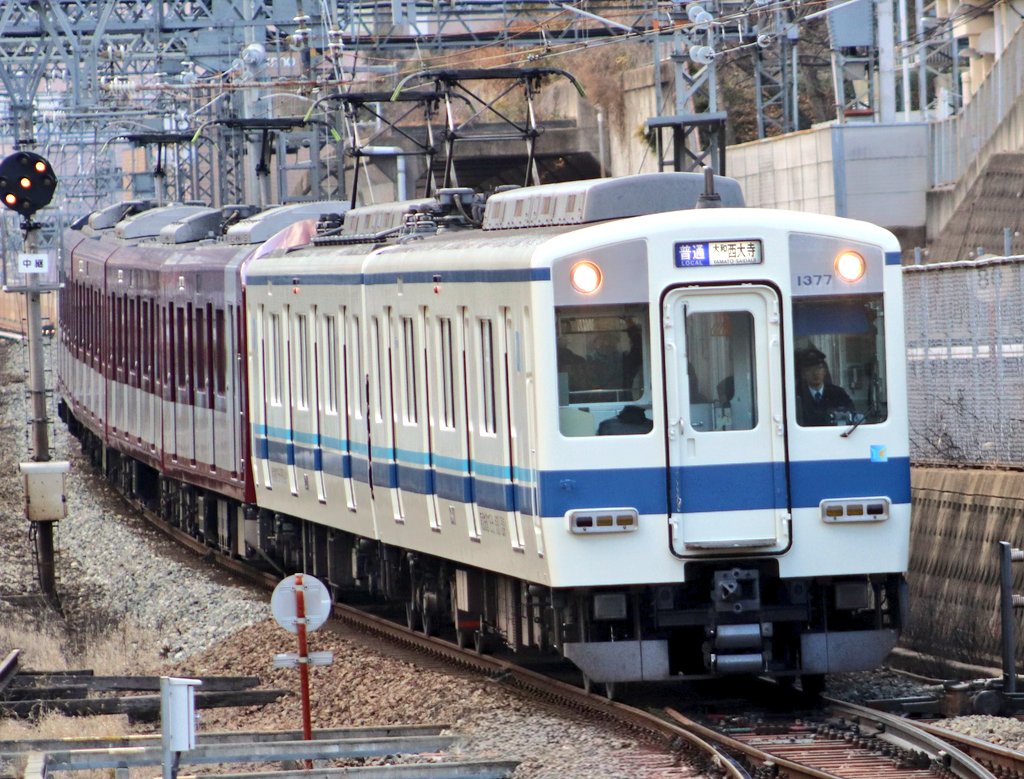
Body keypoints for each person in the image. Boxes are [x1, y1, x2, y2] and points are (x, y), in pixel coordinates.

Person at [796, 348, 854, 426]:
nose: (815, 373)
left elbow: (852, 416)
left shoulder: (839, 394)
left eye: (819, 368)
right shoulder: (797, 395)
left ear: (825, 371)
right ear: (803, 374)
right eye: (809, 369)